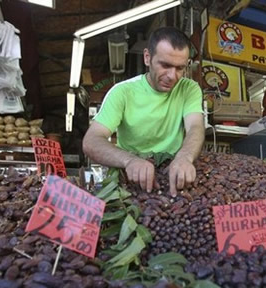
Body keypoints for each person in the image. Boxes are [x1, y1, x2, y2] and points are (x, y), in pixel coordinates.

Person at [83, 27, 204, 197]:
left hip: (172, 176)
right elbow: (91, 141)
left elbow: (195, 127)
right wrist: (130, 160)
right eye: (165, 65)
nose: (172, 76)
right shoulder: (122, 92)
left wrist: (185, 157)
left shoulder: (189, 89)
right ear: (147, 58)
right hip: (130, 178)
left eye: (180, 68)